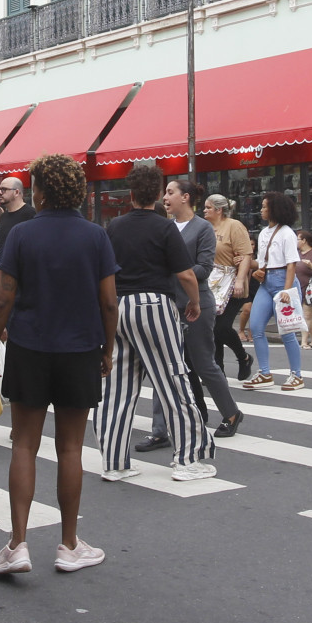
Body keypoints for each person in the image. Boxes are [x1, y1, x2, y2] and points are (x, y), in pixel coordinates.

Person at [0, 153, 119, 576]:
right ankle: (68, 544)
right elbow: (109, 300)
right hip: (80, 346)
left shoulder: (22, 235)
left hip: (30, 345)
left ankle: (18, 543)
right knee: (71, 448)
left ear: (40, 192)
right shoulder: (95, 236)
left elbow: (4, 296)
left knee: (24, 443)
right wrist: (108, 348)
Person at [96, 161, 211, 483]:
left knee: (117, 388)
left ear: (130, 193)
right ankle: (188, 458)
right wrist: (195, 302)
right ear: (159, 194)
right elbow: (186, 274)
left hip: (118, 307)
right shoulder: (164, 227)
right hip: (154, 304)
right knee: (173, 380)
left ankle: (114, 461)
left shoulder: (114, 227)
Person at [141, 179, 240, 445]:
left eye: (170, 192)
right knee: (163, 366)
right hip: (167, 304)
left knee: (203, 364)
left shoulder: (202, 228)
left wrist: (176, 274)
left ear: (185, 197)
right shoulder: (164, 227)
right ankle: (160, 430)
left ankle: (231, 413)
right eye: (165, 193)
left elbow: (204, 268)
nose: (165, 197)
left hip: (197, 305)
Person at [240, 192, 305, 390]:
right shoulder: (263, 233)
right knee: (256, 327)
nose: (261, 209)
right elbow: (264, 260)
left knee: (287, 331)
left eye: (264, 206)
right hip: (266, 282)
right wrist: (252, 267)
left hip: (284, 281)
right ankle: (265, 373)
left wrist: (287, 290)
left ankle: (297, 375)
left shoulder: (287, 233)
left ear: (274, 209)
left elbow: (291, 264)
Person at [204, 194, 254, 380]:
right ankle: (218, 371)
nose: (204, 210)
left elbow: (246, 255)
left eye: (208, 207)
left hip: (231, 283)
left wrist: (240, 281)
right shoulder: (205, 227)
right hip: (212, 284)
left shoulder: (234, 226)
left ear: (219, 210)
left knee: (221, 327)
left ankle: (243, 357)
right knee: (212, 328)